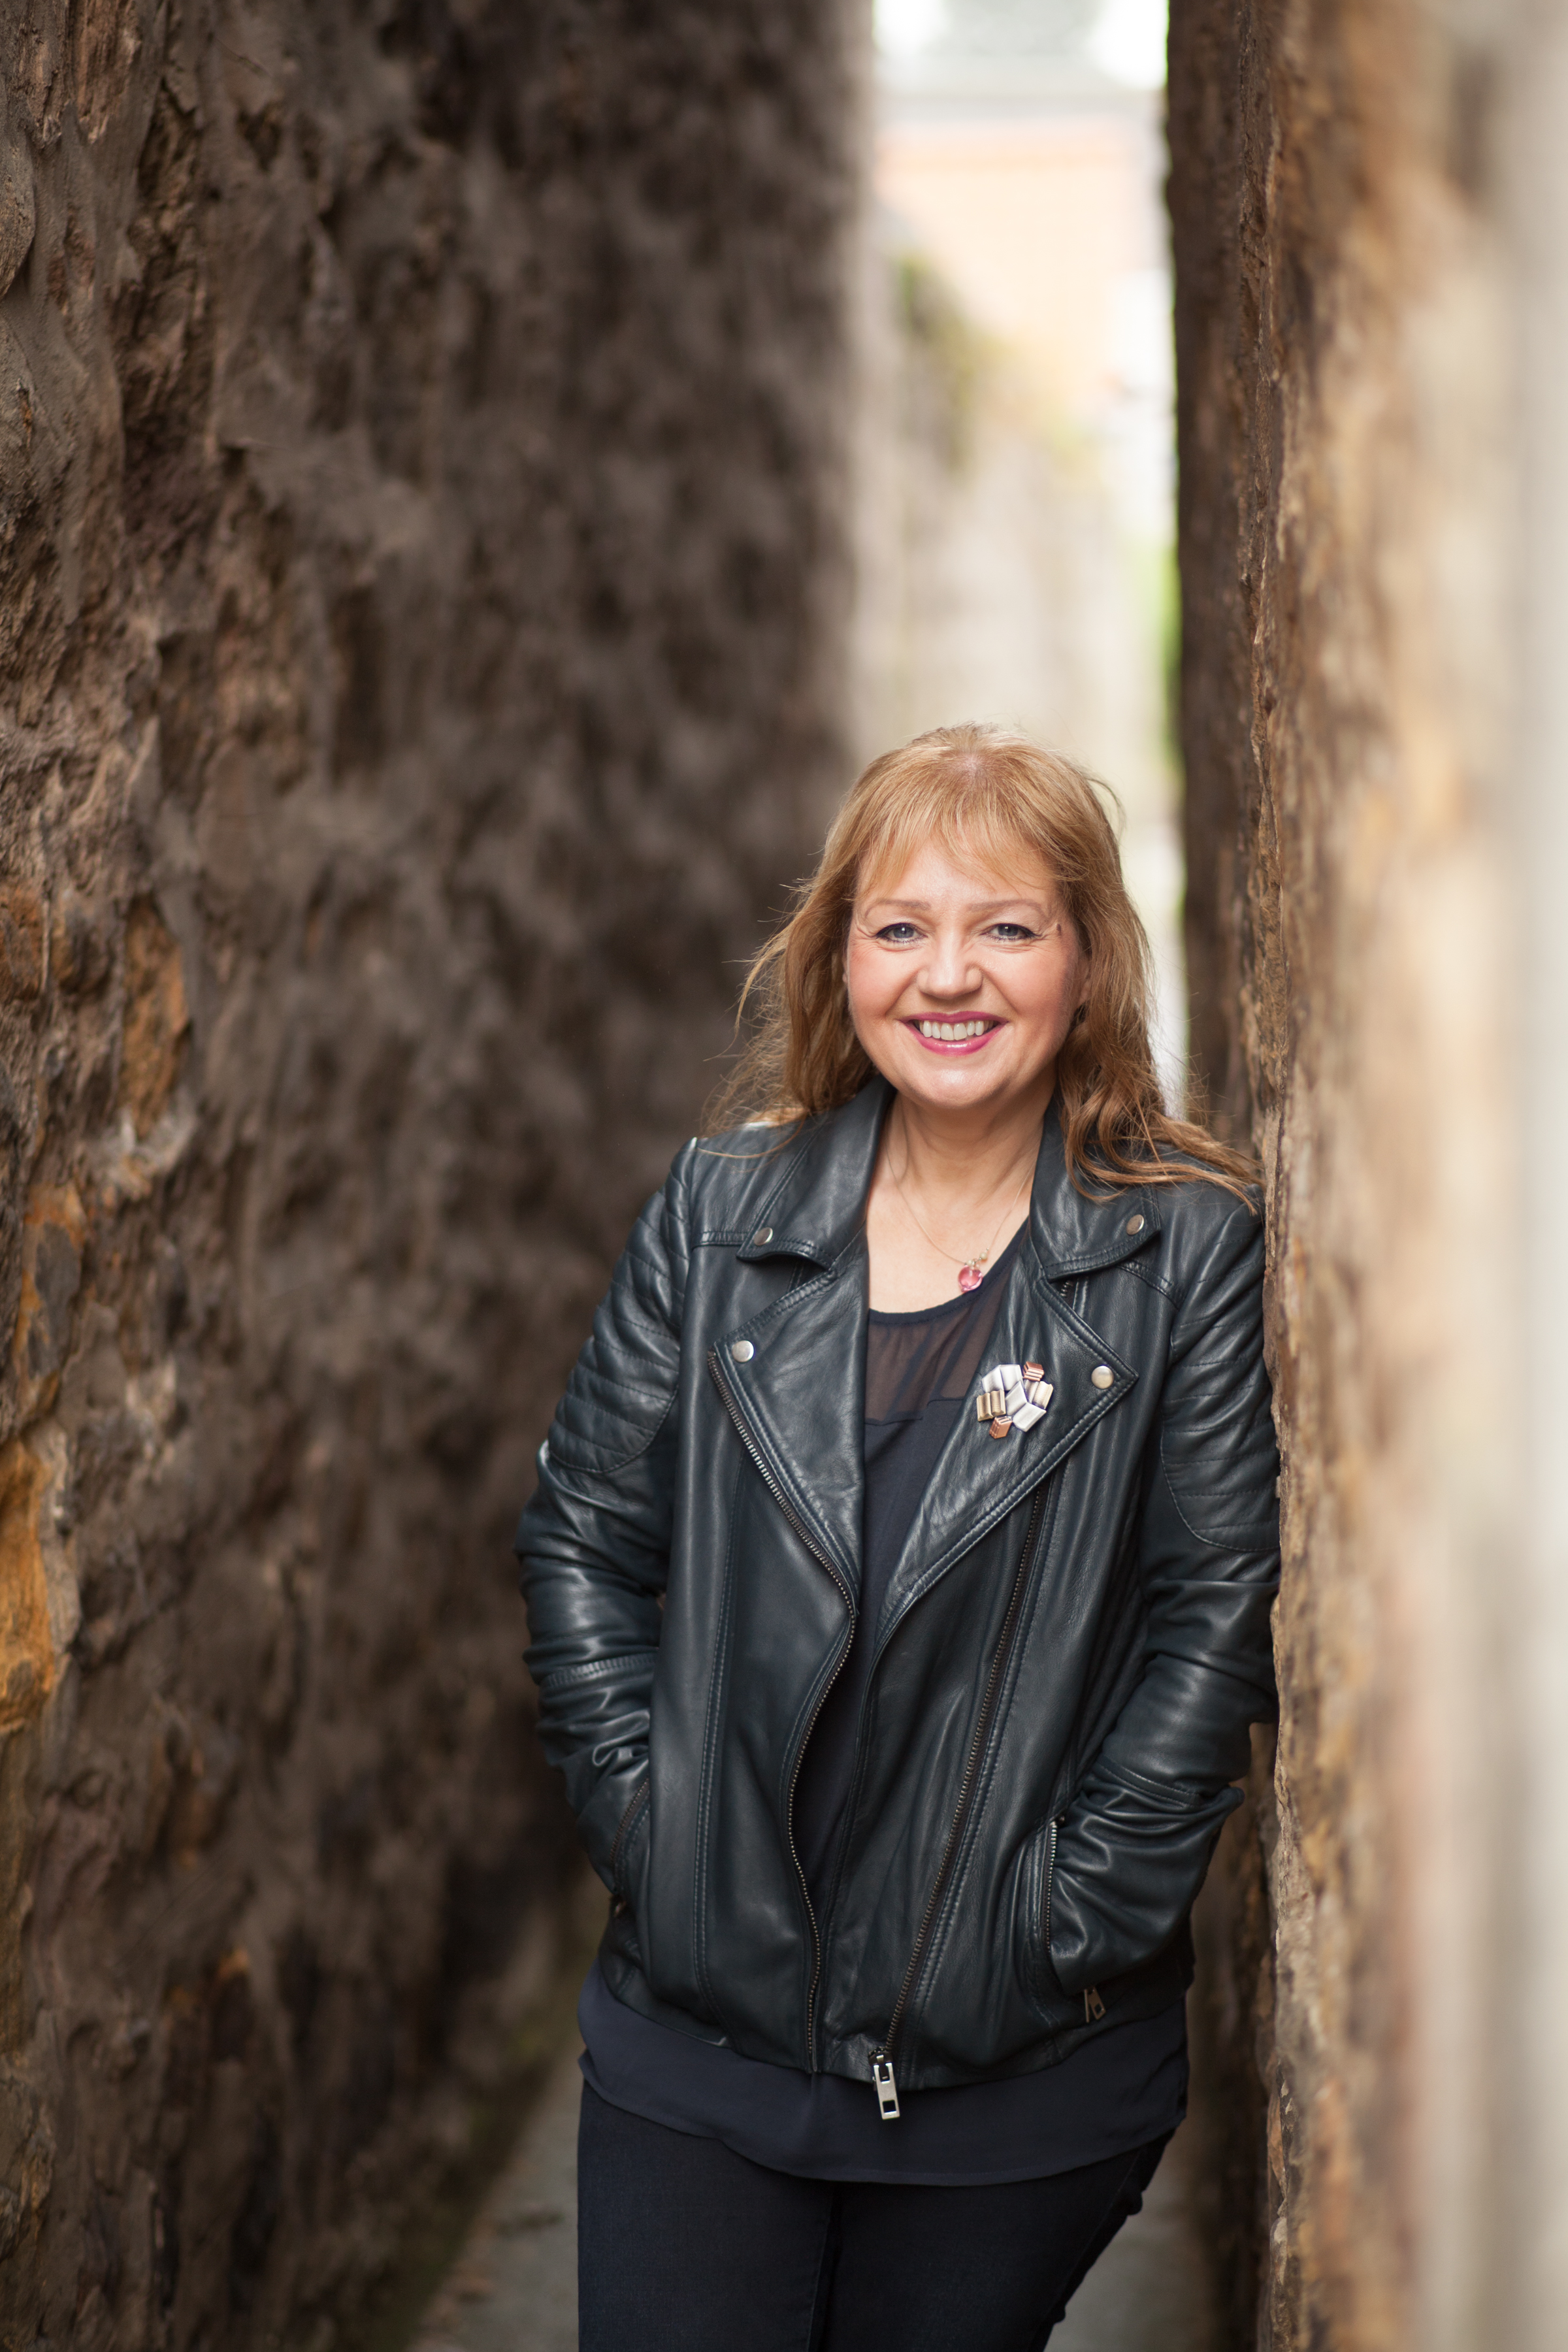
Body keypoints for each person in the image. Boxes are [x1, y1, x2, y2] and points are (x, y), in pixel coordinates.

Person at [517, 725, 1279, 2352]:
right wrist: (659, 1836)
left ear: (1087, 961)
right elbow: (583, 1538)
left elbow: (1212, 1616)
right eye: (900, 927)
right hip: (703, 2046)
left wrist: (1064, 1920)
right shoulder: (720, 1216)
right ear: (840, 959)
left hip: (1021, 2068)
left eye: (1007, 927)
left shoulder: (1180, 1254)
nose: (950, 975)